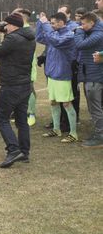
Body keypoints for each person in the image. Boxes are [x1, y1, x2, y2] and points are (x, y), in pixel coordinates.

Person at [0, 12, 36, 168]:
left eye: (7, 24)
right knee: (21, 120)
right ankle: (24, 152)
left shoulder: (13, 39)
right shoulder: (29, 38)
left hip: (11, 85)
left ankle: (13, 150)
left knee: (1, 117)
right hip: (25, 84)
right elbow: (8, 54)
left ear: (13, 25)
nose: (5, 27)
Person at [36, 12, 78, 143]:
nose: (51, 25)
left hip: (62, 75)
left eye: (53, 23)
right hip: (52, 74)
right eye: (50, 23)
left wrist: (45, 24)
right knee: (53, 102)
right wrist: (40, 23)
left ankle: (73, 133)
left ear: (61, 23)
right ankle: (56, 129)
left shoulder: (69, 35)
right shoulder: (53, 33)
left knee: (66, 103)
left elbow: (57, 42)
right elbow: (39, 38)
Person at [75, 12, 103, 148]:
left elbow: (79, 44)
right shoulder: (94, 32)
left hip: (94, 76)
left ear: (92, 23)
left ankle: (100, 136)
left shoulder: (98, 34)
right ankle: (98, 133)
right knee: (94, 108)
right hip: (90, 75)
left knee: (95, 108)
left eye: (83, 24)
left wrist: (79, 32)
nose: (81, 26)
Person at [13, 8, 38, 126]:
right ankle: (20, 113)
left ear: (23, 17)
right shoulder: (16, 28)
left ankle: (31, 113)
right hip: (17, 64)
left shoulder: (28, 30)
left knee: (30, 88)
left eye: (15, 15)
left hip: (28, 64)